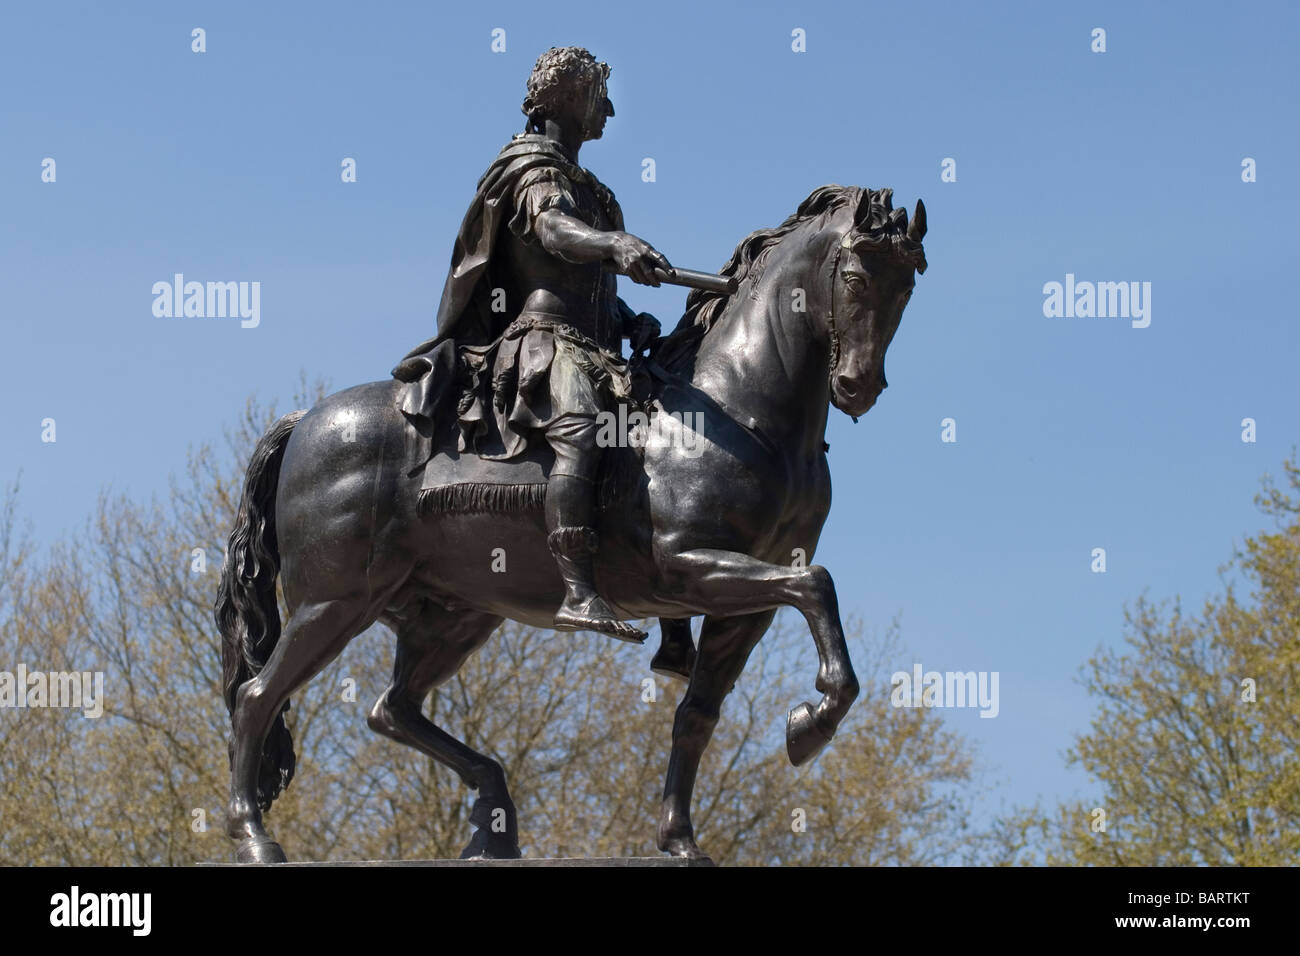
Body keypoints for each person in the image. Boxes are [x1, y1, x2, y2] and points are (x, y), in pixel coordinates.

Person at [397, 46, 672, 643]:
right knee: (584, 424)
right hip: (544, 341)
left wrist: (628, 318)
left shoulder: (593, 190)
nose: (611, 111)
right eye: (601, 95)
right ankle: (577, 591)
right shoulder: (531, 169)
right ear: (570, 97)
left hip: (598, 343)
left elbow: (587, 284)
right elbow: (552, 232)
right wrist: (613, 243)